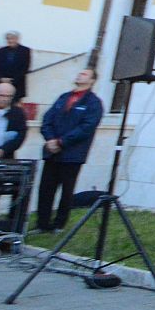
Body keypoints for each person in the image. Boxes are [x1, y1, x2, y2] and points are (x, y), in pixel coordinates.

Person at [35, 68, 103, 231]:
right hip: (52, 152)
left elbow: (86, 128)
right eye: (79, 72)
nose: (79, 74)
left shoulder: (93, 103)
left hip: (72, 154)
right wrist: (50, 139)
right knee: (46, 189)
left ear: (92, 81)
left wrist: (62, 142)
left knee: (66, 191)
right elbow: (47, 119)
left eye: (85, 74)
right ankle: (42, 224)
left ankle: (59, 224)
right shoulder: (64, 97)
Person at [0, 31, 32, 102]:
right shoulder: (0, 51)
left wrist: (12, 80)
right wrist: (0, 79)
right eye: (8, 39)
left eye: (12, 38)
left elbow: (25, 68)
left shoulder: (25, 51)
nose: (10, 41)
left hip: (17, 86)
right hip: (0, 86)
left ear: (17, 39)